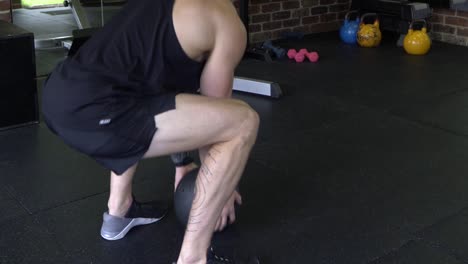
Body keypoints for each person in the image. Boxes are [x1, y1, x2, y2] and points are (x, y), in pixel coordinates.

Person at [41, 0, 260, 262]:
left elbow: (160, 88)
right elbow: (217, 119)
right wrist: (222, 187)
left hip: (58, 92)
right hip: (94, 109)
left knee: (134, 97)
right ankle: (193, 259)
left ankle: (118, 211)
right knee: (243, 121)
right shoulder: (227, 22)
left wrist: (182, 163)